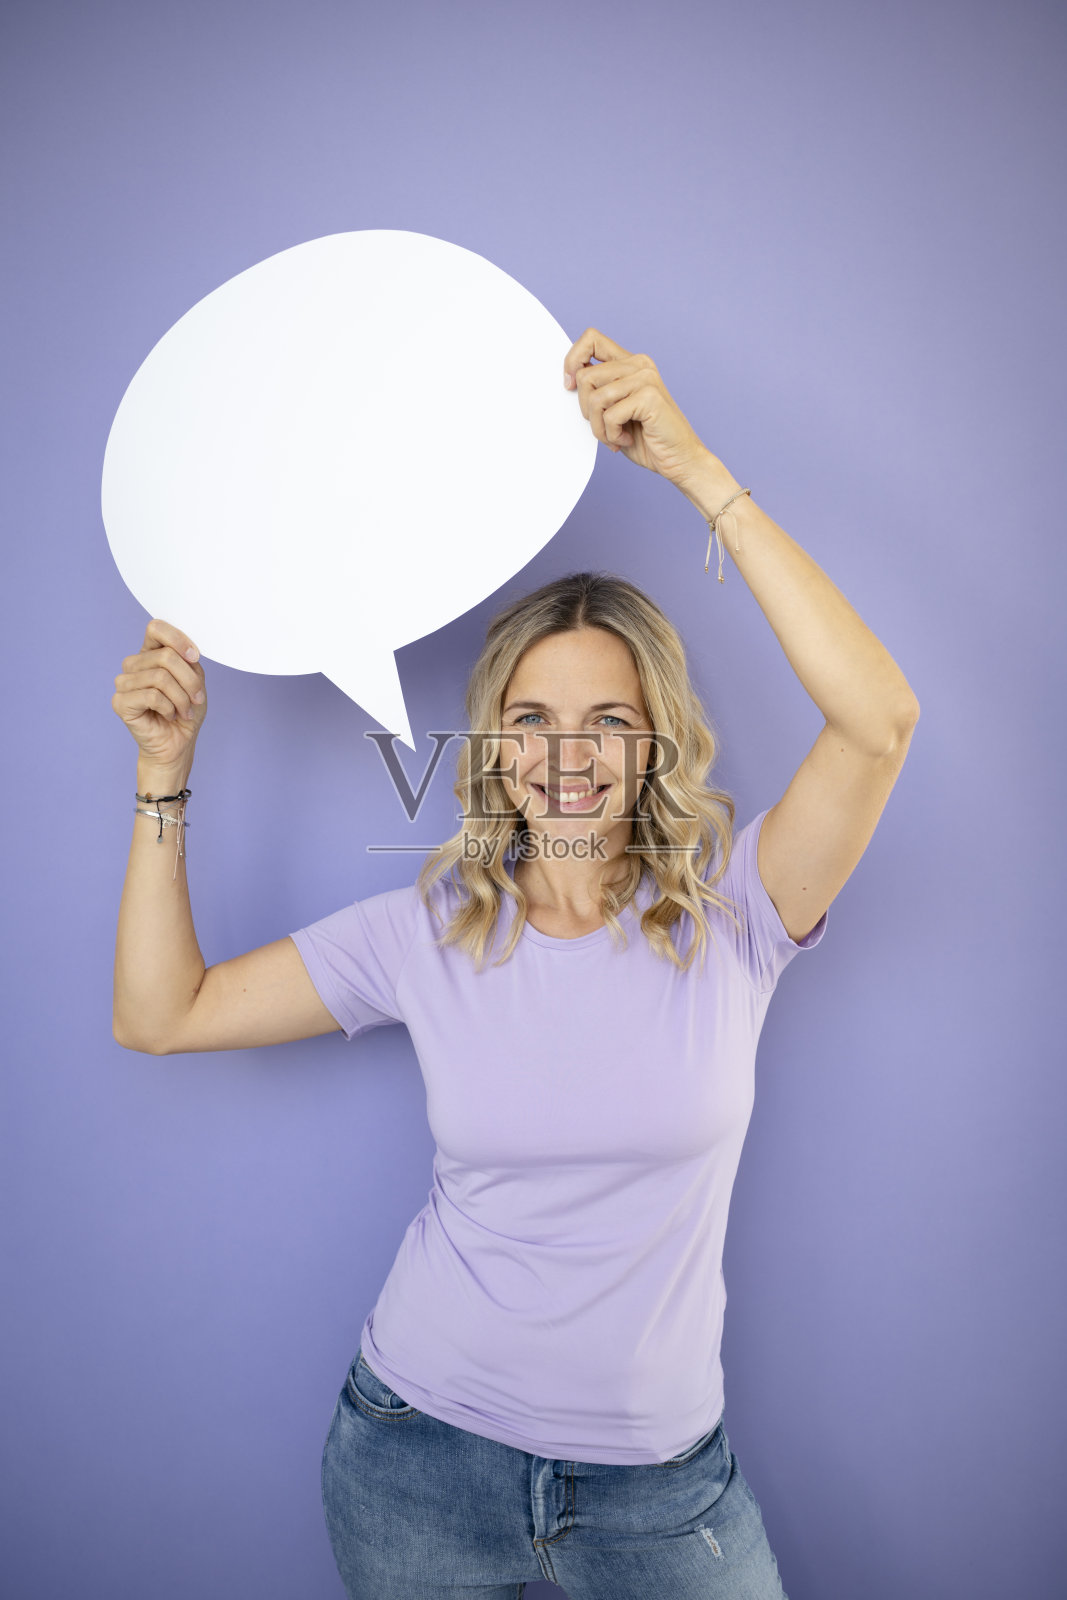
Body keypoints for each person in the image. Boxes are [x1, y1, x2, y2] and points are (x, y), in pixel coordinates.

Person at [112, 327, 919, 1599]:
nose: (567, 756)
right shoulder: (421, 931)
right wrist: (166, 776)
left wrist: (697, 470)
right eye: (531, 723)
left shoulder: (738, 913)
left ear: (657, 745)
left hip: (660, 1488)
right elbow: (163, 1014)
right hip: (414, 1456)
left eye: (609, 722)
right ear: (489, 748)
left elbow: (877, 722)